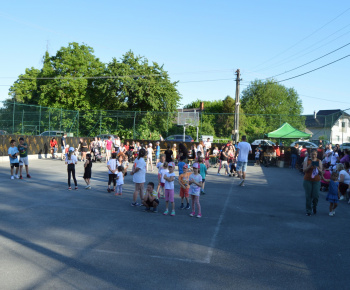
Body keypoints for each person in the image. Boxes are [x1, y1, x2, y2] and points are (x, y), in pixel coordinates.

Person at [303, 149, 322, 216]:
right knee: (308, 196)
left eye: (315, 154)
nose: (313, 156)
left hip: (316, 180)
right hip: (307, 180)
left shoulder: (319, 161)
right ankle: (308, 210)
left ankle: (314, 206)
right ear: (310, 154)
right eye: (312, 154)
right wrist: (310, 165)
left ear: (317, 154)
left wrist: (317, 167)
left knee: (316, 195)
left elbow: (321, 172)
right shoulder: (307, 160)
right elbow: (304, 170)